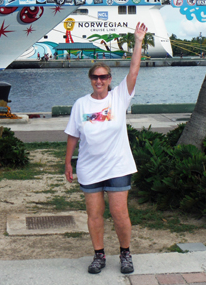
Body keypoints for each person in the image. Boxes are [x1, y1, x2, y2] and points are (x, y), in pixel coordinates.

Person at [64, 22, 147, 275]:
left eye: (103, 77)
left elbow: (133, 71)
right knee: (94, 214)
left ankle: (125, 253)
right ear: (90, 80)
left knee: (120, 213)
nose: (99, 81)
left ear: (109, 79)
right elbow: (72, 135)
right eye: (94, 77)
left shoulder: (119, 97)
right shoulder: (80, 104)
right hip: (89, 167)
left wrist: (138, 41)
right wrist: (68, 162)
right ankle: (99, 255)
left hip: (117, 165)